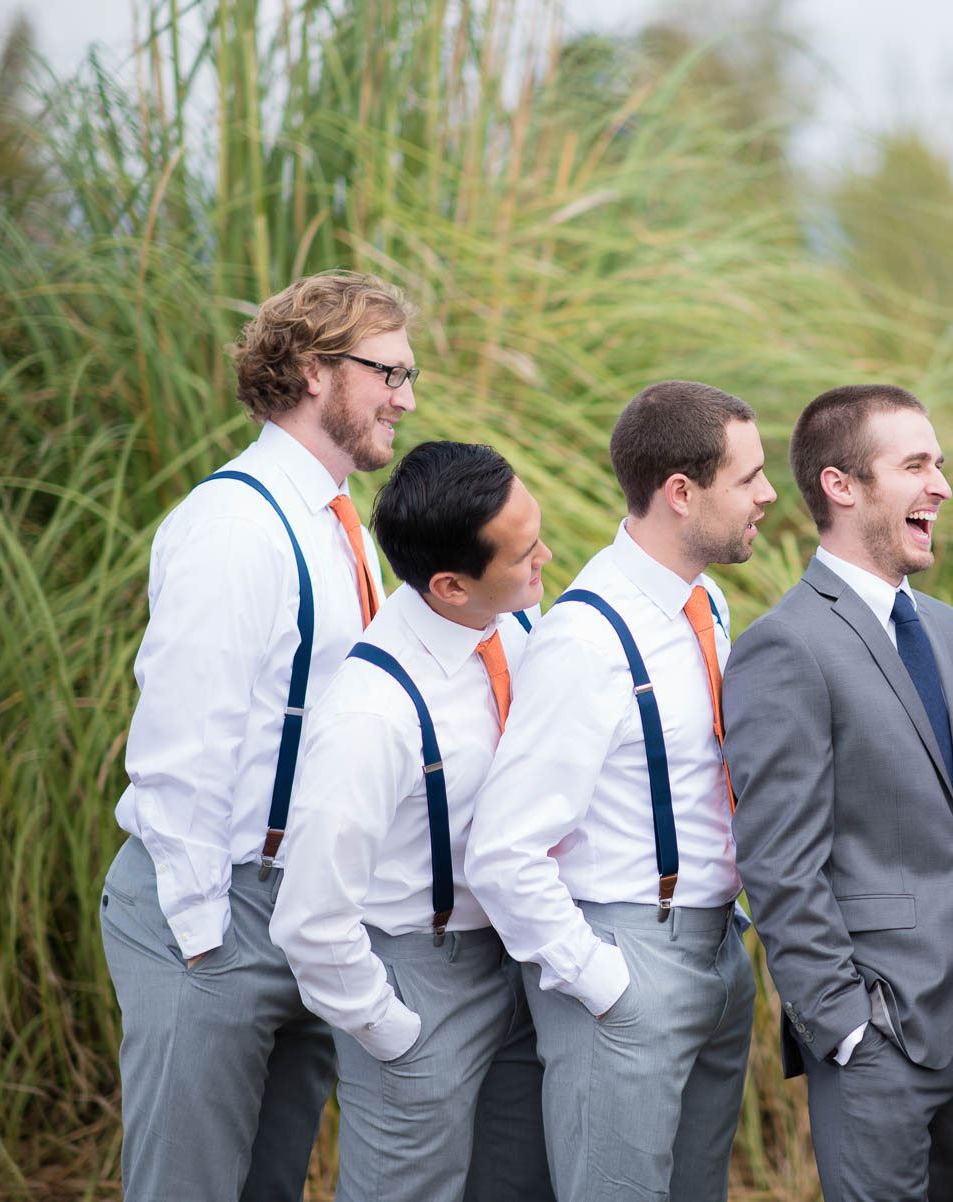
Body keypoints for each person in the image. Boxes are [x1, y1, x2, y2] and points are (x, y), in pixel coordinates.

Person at [100, 270, 416, 1201]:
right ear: (317, 371)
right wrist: (202, 945)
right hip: (212, 910)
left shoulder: (343, 524)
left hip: (305, 908)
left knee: (268, 1186)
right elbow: (180, 750)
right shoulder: (235, 525)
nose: (405, 396)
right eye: (388, 373)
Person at [722, 384, 953, 1202]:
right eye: (916, 465)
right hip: (880, 1034)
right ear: (842, 485)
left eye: (941, 465)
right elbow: (778, 862)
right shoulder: (786, 646)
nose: (942, 485)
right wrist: (846, 1024)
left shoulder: (950, 631)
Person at [465, 380, 774, 1202]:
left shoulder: (703, 602)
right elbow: (504, 853)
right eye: (748, 479)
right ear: (682, 492)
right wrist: (602, 983)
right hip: (627, 958)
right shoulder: (585, 640)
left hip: (716, 954)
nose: (769, 495)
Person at [268, 440, 554, 1202]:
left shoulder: (517, 625)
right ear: (451, 585)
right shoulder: (369, 715)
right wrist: (392, 1030)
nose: (546, 558)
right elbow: (311, 918)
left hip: (519, 956)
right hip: (421, 975)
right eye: (525, 553)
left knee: (521, 1183)